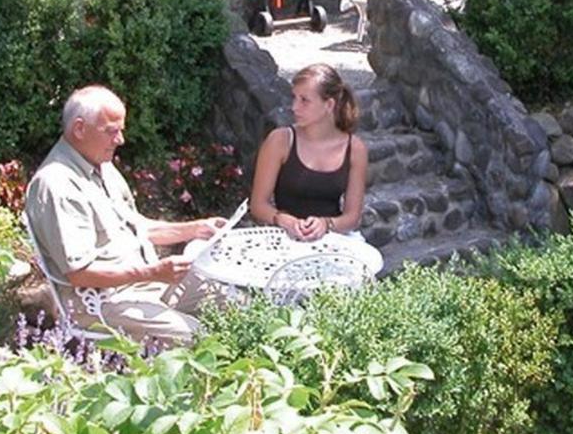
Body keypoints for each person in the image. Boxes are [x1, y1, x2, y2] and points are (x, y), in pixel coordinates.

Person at [25, 85, 228, 344]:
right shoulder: (57, 185)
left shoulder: (102, 165)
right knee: (203, 340)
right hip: (102, 302)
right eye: (112, 131)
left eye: (120, 130)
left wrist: (197, 228)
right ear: (79, 129)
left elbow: (136, 226)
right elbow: (80, 274)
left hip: (146, 286)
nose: (120, 140)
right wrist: (151, 272)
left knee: (232, 301)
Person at [249, 63, 368, 241]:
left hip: (331, 238)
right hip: (285, 237)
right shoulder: (280, 140)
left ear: (329, 105)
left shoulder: (355, 149)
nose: (294, 107)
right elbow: (258, 205)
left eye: (304, 100)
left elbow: (352, 217)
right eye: (294, 98)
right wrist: (283, 219)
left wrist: (326, 224)